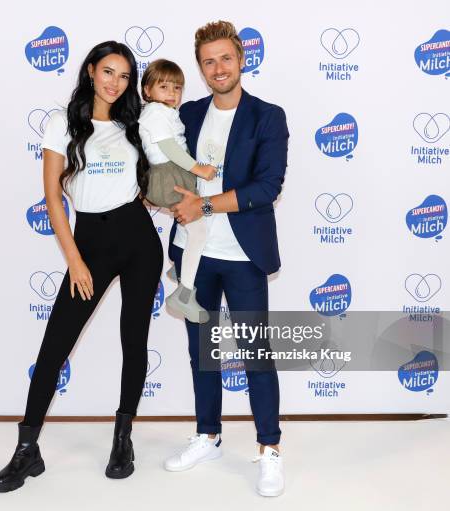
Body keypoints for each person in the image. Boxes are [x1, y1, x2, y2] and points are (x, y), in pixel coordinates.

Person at [0, 40, 163, 492]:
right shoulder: (61, 123)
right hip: (90, 243)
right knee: (55, 345)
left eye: (124, 76)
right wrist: (75, 259)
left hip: (139, 237)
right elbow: (53, 199)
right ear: (90, 70)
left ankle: (123, 438)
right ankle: (27, 450)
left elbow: (158, 168)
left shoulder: (133, 123)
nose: (115, 83)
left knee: (134, 339)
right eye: (108, 71)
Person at [163, 21, 289, 498]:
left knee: (256, 354)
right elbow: (159, 158)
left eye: (225, 59)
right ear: (200, 68)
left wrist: (207, 204)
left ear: (241, 59)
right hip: (193, 254)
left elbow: (266, 187)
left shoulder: (267, 117)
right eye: (208, 61)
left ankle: (269, 450)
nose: (218, 68)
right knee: (202, 353)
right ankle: (208, 436)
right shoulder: (189, 113)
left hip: (242, 256)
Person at [138, 59, 216, 323]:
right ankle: (183, 293)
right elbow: (170, 148)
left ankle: (178, 268)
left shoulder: (163, 111)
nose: (172, 93)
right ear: (147, 90)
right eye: (164, 87)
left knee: (188, 221)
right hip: (169, 174)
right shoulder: (155, 113)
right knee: (199, 230)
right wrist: (199, 169)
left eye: (177, 88)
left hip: (171, 172)